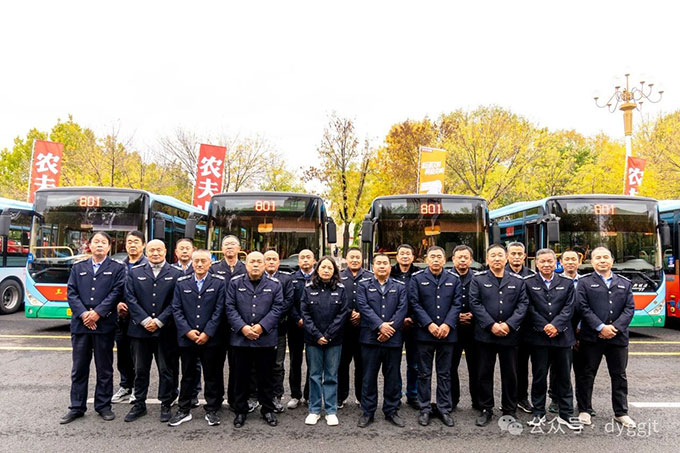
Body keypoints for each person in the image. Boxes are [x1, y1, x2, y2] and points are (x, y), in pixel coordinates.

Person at [60, 232, 126, 424]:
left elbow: (116, 292)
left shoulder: (117, 268)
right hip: (81, 325)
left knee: (104, 368)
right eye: (96, 242)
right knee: (79, 368)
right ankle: (76, 407)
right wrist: (84, 314)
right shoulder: (78, 267)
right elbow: (71, 292)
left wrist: (97, 313)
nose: (99, 245)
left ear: (109, 247)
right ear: (89, 245)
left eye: (103, 242)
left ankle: (103, 406)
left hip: (104, 325)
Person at [575, 247, 636, 429]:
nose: (602, 260)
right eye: (598, 258)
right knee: (586, 374)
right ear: (592, 261)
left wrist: (614, 328)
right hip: (592, 337)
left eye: (605, 257)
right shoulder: (584, 282)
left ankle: (621, 412)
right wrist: (600, 327)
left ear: (612, 260)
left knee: (619, 375)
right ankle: (584, 409)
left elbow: (629, 309)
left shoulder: (624, 283)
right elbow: (582, 307)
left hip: (617, 338)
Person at [469, 243, 529, 427]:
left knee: (510, 374)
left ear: (506, 258)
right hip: (485, 335)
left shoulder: (518, 281)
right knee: (484, 373)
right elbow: (475, 303)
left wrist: (509, 325)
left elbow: (522, 305)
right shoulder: (478, 279)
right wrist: (491, 325)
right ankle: (486, 408)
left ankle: (509, 409)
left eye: (500, 255)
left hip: (510, 335)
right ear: (487, 259)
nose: (497, 259)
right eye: (493, 256)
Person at [124, 239, 182, 423]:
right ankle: (139, 403)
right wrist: (145, 320)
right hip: (139, 330)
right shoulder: (135, 272)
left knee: (166, 369)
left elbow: (176, 301)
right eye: (151, 250)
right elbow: (130, 298)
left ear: (165, 251)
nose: (155, 253)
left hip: (166, 330)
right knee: (140, 369)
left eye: (159, 250)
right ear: (146, 252)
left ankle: (166, 403)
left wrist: (159, 321)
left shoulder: (176, 273)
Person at [226, 252, 286, 428]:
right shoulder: (235, 283)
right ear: (246, 265)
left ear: (264, 265)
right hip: (240, 339)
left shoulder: (275, 285)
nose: (256, 265)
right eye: (252, 261)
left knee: (266, 377)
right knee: (240, 377)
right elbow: (229, 307)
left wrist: (261, 327)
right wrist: (243, 328)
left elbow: (277, 308)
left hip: (265, 338)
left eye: (259, 262)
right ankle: (240, 410)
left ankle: (267, 409)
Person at [168, 250, 226, 427]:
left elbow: (219, 310)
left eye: (203, 261)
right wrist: (187, 331)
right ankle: (184, 409)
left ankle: (212, 409)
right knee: (187, 375)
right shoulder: (182, 282)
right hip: (188, 338)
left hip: (211, 338)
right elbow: (176, 309)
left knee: (211, 375)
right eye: (196, 261)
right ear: (192, 263)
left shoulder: (219, 283)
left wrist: (207, 332)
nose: (199, 264)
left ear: (210, 263)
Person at [524, 248, 579, 430]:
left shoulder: (566, 283)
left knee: (564, 378)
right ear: (537, 263)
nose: (546, 265)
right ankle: (538, 412)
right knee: (539, 377)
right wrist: (544, 326)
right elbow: (529, 307)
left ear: (556, 263)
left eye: (550, 261)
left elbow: (569, 307)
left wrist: (556, 325)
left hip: (562, 337)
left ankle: (566, 414)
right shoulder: (528, 283)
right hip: (538, 337)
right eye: (542, 261)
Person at [409, 246, 462, 427]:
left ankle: (443, 408)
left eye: (439, 256)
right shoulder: (417, 278)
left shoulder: (454, 279)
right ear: (426, 259)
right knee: (424, 373)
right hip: (425, 333)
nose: (436, 260)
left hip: (447, 334)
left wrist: (447, 324)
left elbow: (457, 304)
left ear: (445, 259)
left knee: (445, 373)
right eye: (432, 257)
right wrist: (429, 324)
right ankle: (425, 408)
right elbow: (414, 303)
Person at [355, 253, 408, 428]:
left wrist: (389, 329)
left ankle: (391, 411)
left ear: (390, 267)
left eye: (385, 263)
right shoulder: (363, 285)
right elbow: (363, 307)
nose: (382, 266)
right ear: (373, 266)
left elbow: (402, 308)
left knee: (392, 377)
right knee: (368, 376)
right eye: (378, 263)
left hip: (393, 338)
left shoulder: (399, 286)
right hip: (370, 338)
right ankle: (368, 412)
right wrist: (380, 326)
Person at [301, 256, 349, 426]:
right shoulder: (308, 289)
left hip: (334, 340)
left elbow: (342, 314)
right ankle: (314, 410)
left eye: (330, 268)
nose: (326, 270)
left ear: (334, 270)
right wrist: (317, 335)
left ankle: (330, 410)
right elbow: (305, 314)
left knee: (331, 376)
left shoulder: (341, 290)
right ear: (317, 269)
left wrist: (328, 335)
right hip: (313, 340)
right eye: (323, 267)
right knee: (314, 375)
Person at [209, 235, 248, 409]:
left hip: (239, 324)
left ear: (239, 248)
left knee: (237, 365)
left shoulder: (245, 268)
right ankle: (216, 399)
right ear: (222, 248)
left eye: (233, 244)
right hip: (218, 324)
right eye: (226, 244)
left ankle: (235, 399)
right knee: (215, 365)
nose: (229, 247)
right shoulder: (214, 268)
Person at [112, 231, 148, 404]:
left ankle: (137, 389)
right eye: (129, 242)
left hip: (140, 319)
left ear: (143, 245)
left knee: (139, 358)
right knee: (123, 355)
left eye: (136, 241)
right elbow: (113, 289)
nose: (132, 245)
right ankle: (125, 385)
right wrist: (117, 304)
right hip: (121, 319)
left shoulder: (148, 265)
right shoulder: (119, 266)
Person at [338, 247, 371, 407]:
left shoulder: (370, 277)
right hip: (343, 328)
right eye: (352, 257)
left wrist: (361, 315)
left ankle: (361, 396)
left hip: (364, 328)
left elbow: (373, 301)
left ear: (362, 258)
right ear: (346, 258)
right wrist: (349, 313)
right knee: (342, 364)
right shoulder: (339, 277)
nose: (355, 260)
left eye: (358, 257)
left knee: (362, 364)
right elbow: (336, 300)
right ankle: (340, 396)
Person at [506, 241, 536, 415]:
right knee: (509, 368)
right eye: (513, 254)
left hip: (526, 329)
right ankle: (508, 400)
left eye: (520, 254)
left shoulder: (531, 276)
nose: (516, 257)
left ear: (525, 256)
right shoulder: (500, 273)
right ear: (507, 256)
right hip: (507, 328)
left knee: (523, 367)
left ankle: (522, 398)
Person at [449, 245, 481, 412]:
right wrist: (456, 316)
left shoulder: (478, 278)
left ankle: (478, 401)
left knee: (476, 367)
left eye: (466, 257)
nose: (462, 260)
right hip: (452, 329)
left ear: (471, 260)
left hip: (474, 329)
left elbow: (483, 301)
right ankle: (452, 400)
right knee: (450, 367)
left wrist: (473, 315)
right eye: (459, 257)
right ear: (453, 259)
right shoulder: (446, 277)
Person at [263, 250, 295, 413]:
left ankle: (276, 396)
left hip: (279, 327)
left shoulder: (286, 279)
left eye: (273, 259)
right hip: (259, 328)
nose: (270, 262)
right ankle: (256, 396)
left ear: (278, 262)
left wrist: (270, 318)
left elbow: (288, 301)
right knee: (257, 365)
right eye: (267, 259)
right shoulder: (256, 277)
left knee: (277, 364)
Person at [286, 249, 316, 410]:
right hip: (295, 326)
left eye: (308, 257)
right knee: (295, 361)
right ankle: (295, 395)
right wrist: (297, 318)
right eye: (302, 258)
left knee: (313, 362)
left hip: (314, 327)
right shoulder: (291, 279)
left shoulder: (319, 278)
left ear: (314, 260)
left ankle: (310, 395)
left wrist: (310, 321)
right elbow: (288, 302)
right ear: (298, 262)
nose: (305, 260)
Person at [391, 244, 419, 408]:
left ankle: (413, 395)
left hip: (415, 324)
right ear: (397, 256)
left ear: (413, 257)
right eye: (402, 253)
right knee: (394, 363)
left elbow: (423, 299)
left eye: (408, 254)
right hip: (394, 325)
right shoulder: (390, 273)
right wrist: (398, 320)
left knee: (414, 364)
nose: (405, 256)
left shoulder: (419, 274)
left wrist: (412, 318)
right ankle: (395, 395)